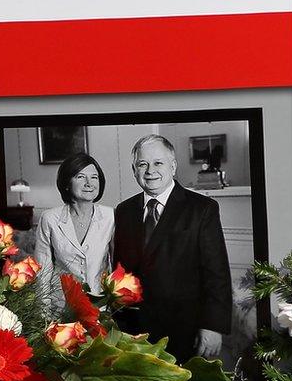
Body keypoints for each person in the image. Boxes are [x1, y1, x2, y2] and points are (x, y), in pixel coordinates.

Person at [112, 134, 231, 362]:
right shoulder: (124, 210)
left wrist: (213, 326)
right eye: (142, 164)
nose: (150, 170)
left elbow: (217, 273)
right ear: (134, 169)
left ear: (173, 166)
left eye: (158, 163)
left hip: (185, 330)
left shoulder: (202, 209)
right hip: (134, 331)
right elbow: (121, 271)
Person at [34, 153, 115, 302]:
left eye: (94, 177)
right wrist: (45, 318)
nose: (89, 183)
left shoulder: (111, 217)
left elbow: (117, 268)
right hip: (61, 309)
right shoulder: (50, 219)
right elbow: (42, 273)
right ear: (66, 183)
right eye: (80, 177)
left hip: (101, 309)